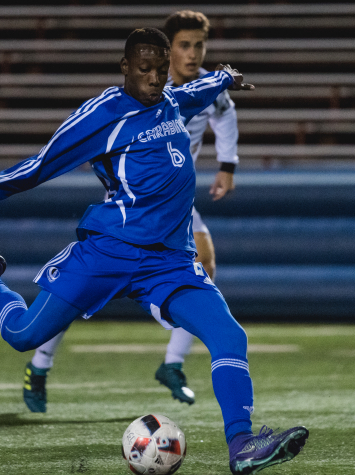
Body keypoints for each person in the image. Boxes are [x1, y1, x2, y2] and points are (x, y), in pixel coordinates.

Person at [0, 28, 308, 474]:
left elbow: (194, 92)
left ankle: (242, 445)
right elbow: (40, 164)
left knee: (231, 337)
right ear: (125, 67)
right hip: (109, 251)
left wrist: (225, 77)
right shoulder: (102, 116)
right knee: (23, 336)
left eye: (161, 70)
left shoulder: (169, 100)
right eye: (145, 70)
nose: (154, 79)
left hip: (169, 262)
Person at [23, 10, 240, 413]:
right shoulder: (144, 90)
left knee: (206, 267)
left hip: (176, 207)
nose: (193, 55)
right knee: (73, 294)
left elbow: (224, 113)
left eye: (199, 46)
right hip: (132, 208)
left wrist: (227, 164)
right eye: (184, 46)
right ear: (166, 50)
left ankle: (172, 364)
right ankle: (40, 361)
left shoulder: (205, 84)